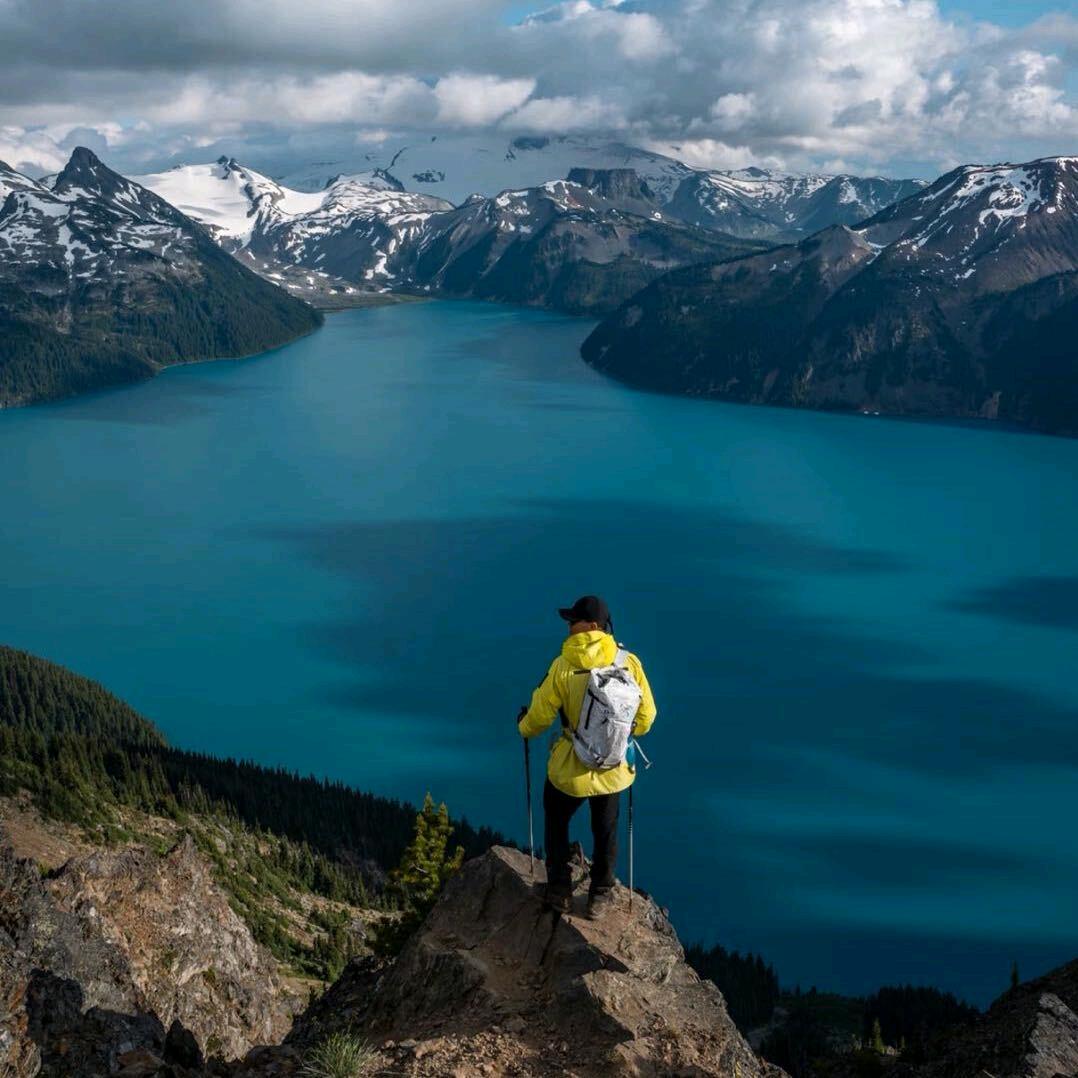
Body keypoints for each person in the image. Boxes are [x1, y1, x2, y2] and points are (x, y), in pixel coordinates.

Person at [517, 595, 656, 918]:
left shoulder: (564, 666)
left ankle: (560, 889)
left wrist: (522, 727)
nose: (568, 625)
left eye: (573, 620)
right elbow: (647, 718)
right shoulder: (627, 662)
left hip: (572, 767)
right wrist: (617, 734)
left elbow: (539, 717)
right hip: (613, 766)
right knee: (605, 828)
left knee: (556, 819)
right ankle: (601, 895)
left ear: (592, 626)